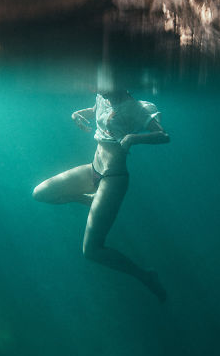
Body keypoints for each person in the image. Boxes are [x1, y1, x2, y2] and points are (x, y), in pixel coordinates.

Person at [33, 68, 170, 302]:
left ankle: (145, 275)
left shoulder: (137, 108)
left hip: (113, 179)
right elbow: (98, 110)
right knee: (41, 193)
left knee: (92, 251)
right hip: (93, 168)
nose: (96, 89)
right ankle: (87, 199)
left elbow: (163, 135)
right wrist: (79, 113)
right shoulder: (102, 96)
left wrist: (132, 138)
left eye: (100, 85)